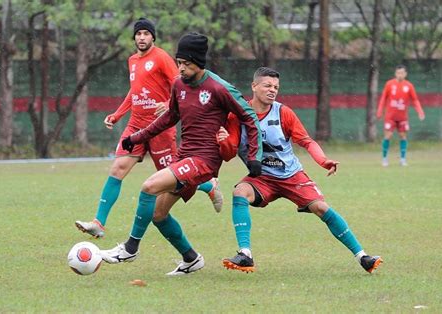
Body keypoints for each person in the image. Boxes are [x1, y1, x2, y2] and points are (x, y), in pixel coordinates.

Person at [99, 32, 263, 276]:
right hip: (184, 157)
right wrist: (137, 137)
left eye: (186, 64)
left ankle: (130, 248)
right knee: (158, 214)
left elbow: (249, 117)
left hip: (204, 161)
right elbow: (169, 117)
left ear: (199, 62)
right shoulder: (178, 84)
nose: (181, 68)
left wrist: (254, 156)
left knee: (149, 186)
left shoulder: (219, 87)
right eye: (179, 63)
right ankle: (191, 258)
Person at [219, 67, 383, 274]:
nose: (272, 90)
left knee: (321, 208)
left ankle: (363, 258)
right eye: (267, 85)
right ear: (254, 86)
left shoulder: (283, 113)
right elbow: (227, 153)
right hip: (262, 178)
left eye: (276, 87)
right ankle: (245, 255)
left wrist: (323, 161)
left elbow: (306, 141)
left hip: (291, 176)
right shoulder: (237, 116)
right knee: (239, 192)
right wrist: (223, 141)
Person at [75, 19, 223, 238]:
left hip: (160, 128)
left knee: (172, 179)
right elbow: (134, 91)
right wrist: (118, 114)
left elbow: (179, 82)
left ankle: (206, 185)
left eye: (146, 33)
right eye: (138, 34)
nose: (142, 37)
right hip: (136, 125)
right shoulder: (132, 60)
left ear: (153, 37)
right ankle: (99, 222)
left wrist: (168, 104)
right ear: (134, 37)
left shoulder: (162, 57)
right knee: (117, 169)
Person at [377, 64, 425, 167]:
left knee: (403, 136)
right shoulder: (389, 84)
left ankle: (402, 159)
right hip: (390, 116)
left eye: (402, 73)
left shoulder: (409, 86)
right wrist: (380, 112)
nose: (400, 75)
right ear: (395, 73)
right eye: (398, 73)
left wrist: (420, 111)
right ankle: (384, 159)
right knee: (388, 136)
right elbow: (383, 98)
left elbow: (415, 100)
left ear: (405, 74)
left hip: (402, 117)